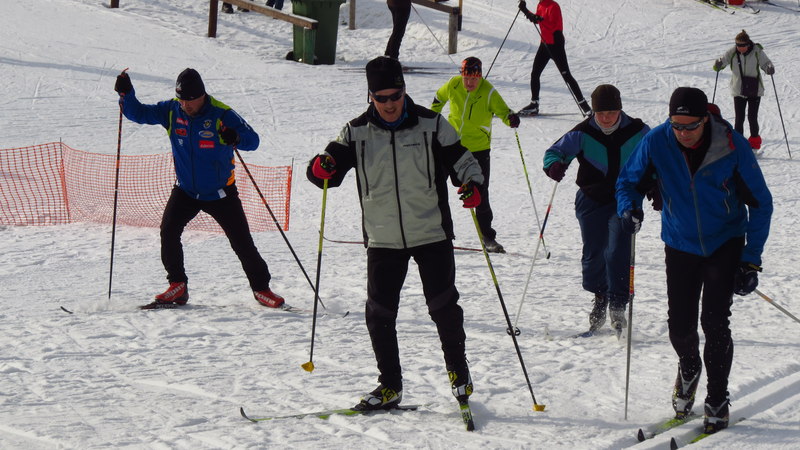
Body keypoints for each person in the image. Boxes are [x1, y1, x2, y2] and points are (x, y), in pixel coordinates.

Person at [306, 56, 484, 411]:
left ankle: (458, 374)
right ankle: (390, 385)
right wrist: (319, 168)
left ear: (404, 91)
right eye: (381, 98)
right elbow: (324, 170)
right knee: (380, 313)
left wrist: (473, 185)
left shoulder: (432, 125)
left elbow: (464, 162)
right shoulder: (355, 132)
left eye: (395, 96)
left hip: (431, 232)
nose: (389, 104)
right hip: (382, 237)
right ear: (370, 96)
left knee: (444, 308)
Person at [616, 87, 772, 434]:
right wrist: (628, 209)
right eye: (676, 125)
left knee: (715, 322)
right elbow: (627, 182)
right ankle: (689, 367)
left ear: (705, 120)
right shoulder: (657, 141)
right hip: (680, 242)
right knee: (679, 325)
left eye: (690, 126)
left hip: (724, 241)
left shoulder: (731, 145)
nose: (683, 133)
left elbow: (761, 204)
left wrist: (750, 260)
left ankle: (716, 398)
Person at [113, 68, 284, 310]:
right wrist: (126, 94)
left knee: (242, 243)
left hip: (220, 193)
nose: (185, 105)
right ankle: (178, 285)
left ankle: (261, 289)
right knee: (168, 231)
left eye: (190, 100)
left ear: (202, 95)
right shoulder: (171, 110)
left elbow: (253, 141)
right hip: (186, 191)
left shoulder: (221, 114)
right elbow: (138, 113)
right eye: (181, 99)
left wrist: (235, 137)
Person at [543, 84, 651, 333]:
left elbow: (656, 158)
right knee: (594, 253)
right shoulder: (583, 132)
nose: (605, 118)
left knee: (617, 250)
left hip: (625, 200)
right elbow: (554, 152)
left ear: (620, 109)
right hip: (591, 198)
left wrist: (655, 185)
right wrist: (554, 165)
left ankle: (618, 302)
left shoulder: (638, 131)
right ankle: (600, 296)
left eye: (611, 112)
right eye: (600, 113)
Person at [431, 56, 520, 253]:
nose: (470, 82)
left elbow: (503, 111)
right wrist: (432, 120)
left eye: (474, 79)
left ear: (480, 77)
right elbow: (438, 98)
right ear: (461, 75)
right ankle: (436, 232)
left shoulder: (488, 91)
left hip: (478, 149)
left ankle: (488, 237)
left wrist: (511, 119)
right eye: (466, 78)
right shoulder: (453, 85)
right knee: (435, 186)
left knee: (480, 193)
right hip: (451, 145)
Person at [517, 0, 591, 117]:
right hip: (544, 44)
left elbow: (553, 26)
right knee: (535, 73)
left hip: (556, 46)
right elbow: (537, 19)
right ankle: (534, 104)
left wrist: (538, 18)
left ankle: (585, 107)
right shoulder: (541, 5)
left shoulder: (554, 6)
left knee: (567, 76)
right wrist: (525, 10)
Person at [713, 29, 775, 152]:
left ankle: (754, 146)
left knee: (752, 118)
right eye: (738, 45)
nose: (740, 48)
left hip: (754, 90)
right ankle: (739, 145)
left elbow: (766, 63)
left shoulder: (757, 51)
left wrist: (769, 68)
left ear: (748, 44)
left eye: (743, 45)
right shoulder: (732, 52)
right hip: (738, 90)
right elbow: (720, 63)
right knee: (739, 119)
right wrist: (718, 64)